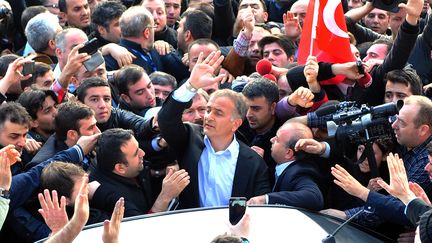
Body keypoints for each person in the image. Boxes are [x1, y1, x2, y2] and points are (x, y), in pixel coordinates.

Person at [158, 51, 270, 209]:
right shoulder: (189, 138)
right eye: (208, 110)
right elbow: (166, 120)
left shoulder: (254, 162)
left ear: (235, 123)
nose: (208, 117)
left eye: (218, 113)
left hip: (231, 231)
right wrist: (191, 85)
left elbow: (260, 210)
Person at [90, 128, 190, 216]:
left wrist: (159, 173)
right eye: (136, 153)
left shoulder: (114, 161)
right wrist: (165, 196)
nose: (143, 153)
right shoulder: (115, 199)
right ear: (120, 168)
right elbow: (143, 228)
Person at [247, 122, 324, 211]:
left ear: (288, 153)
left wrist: (266, 199)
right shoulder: (283, 166)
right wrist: (260, 164)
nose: (271, 140)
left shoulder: (299, 172)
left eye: (277, 139)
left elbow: (314, 198)